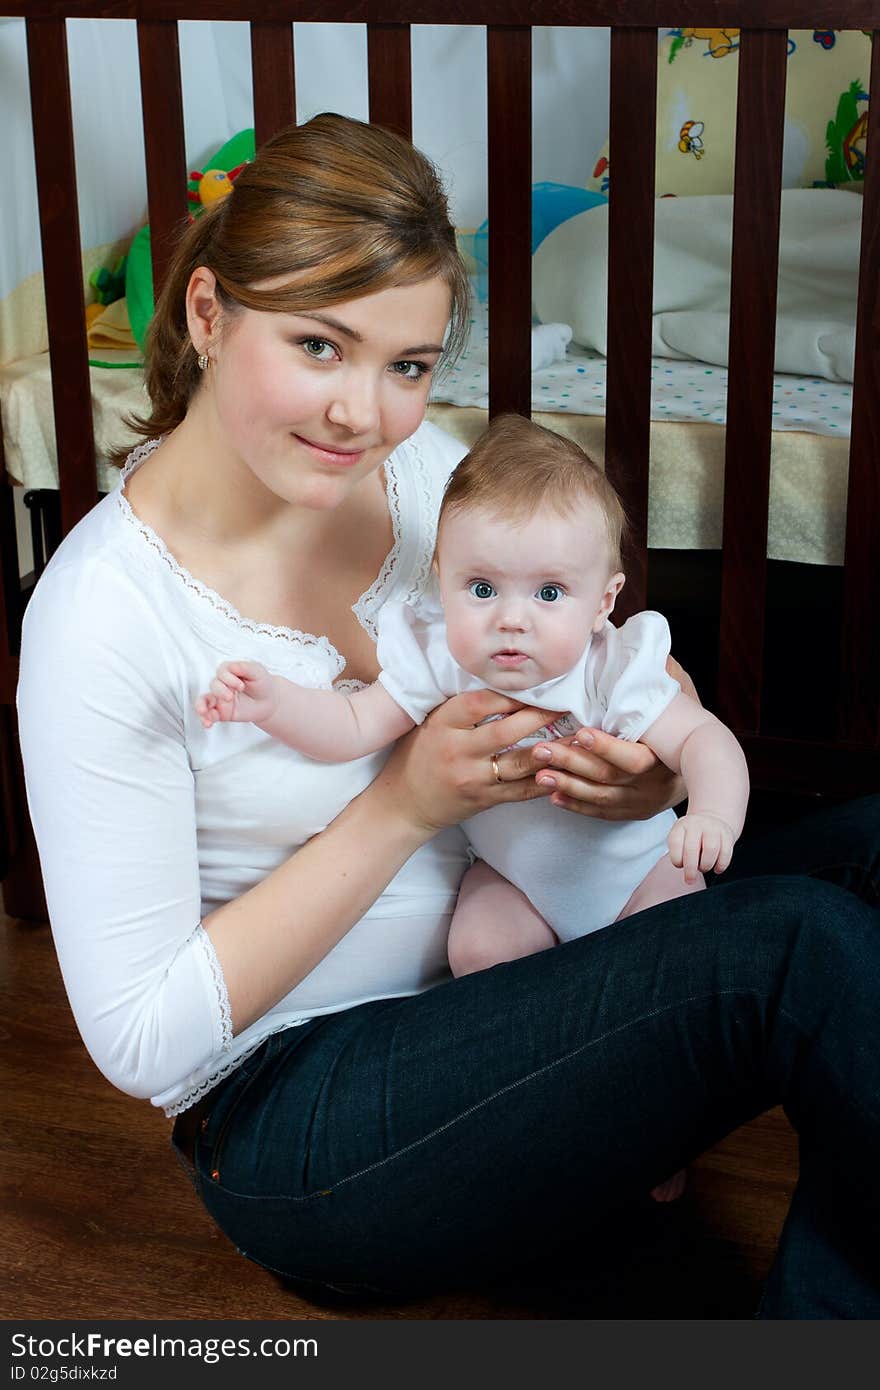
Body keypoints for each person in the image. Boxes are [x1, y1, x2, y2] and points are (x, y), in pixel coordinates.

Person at [15, 112, 880, 1318]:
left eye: (408, 366)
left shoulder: (419, 477)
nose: (361, 413)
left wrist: (645, 777)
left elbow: (600, 651)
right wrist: (403, 802)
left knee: (870, 846)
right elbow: (142, 1041)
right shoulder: (102, 617)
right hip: (312, 1110)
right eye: (320, 345)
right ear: (207, 313)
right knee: (801, 947)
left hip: (534, 958)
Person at [194, 413, 750, 978]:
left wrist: (713, 817)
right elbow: (352, 727)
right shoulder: (442, 662)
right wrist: (273, 704)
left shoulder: (609, 671)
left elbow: (705, 739)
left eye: (549, 592)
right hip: (516, 883)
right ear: (443, 578)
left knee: (674, 958)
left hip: (640, 876)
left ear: (604, 602)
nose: (511, 619)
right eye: (482, 589)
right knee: (479, 952)